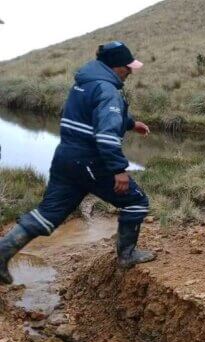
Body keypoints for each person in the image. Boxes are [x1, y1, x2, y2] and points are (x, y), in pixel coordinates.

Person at [0, 41, 154, 285]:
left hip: (66, 158)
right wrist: (119, 170)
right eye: (127, 67)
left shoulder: (84, 83)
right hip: (91, 161)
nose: (131, 71)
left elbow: (89, 115)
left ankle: (2, 253)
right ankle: (127, 255)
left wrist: (130, 123)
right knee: (136, 201)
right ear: (116, 67)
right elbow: (105, 135)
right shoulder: (108, 90)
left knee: (48, 215)